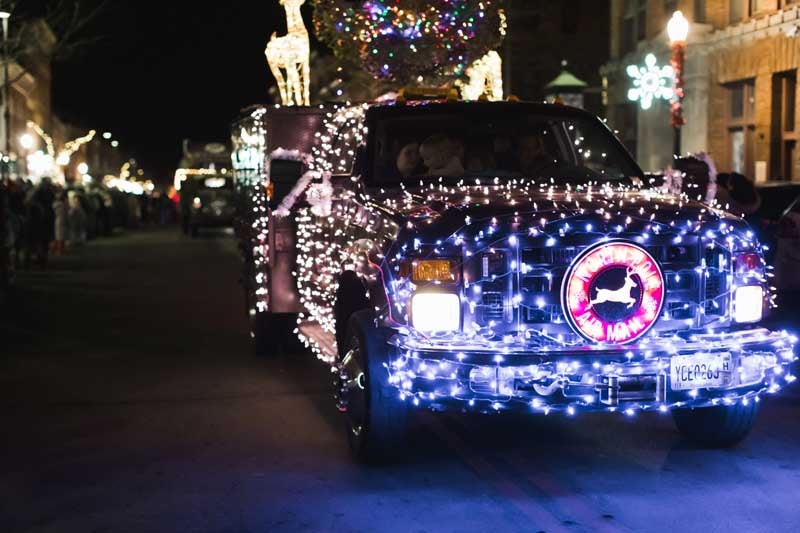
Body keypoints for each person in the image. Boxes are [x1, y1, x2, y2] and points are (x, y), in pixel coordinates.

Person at [52, 187, 68, 256]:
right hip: (62, 219)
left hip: (58, 220)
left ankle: (60, 250)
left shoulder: (56, 204)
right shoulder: (64, 204)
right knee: (61, 236)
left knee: (59, 236)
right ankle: (61, 249)